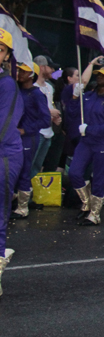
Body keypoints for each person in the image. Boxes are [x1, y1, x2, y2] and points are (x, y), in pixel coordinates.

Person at [67, 59, 104, 226]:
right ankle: (86, 203)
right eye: (98, 75)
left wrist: (89, 129)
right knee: (74, 172)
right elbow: (72, 111)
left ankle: (95, 214)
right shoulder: (88, 96)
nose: (99, 78)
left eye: (103, 76)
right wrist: (76, 96)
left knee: (98, 177)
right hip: (87, 142)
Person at [0, 28, 25, 296]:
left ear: (6, 56)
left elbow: (3, 126)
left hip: (4, 155)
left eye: (0, 49)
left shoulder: (6, 84)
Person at [11, 63, 51, 219]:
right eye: (19, 70)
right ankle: (14, 200)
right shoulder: (17, 91)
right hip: (15, 137)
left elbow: (46, 120)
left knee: (25, 170)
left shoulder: (36, 94)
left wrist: (26, 129)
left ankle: (22, 208)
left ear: (31, 74)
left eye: (23, 71)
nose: (19, 73)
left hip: (29, 137)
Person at [31, 56, 61, 176]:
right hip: (37, 132)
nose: (53, 70)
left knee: (37, 166)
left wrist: (54, 117)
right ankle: (19, 191)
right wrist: (50, 112)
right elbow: (31, 109)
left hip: (48, 132)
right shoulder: (32, 86)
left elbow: (49, 105)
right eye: (50, 67)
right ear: (42, 67)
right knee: (29, 164)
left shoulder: (50, 87)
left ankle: (29, 190)